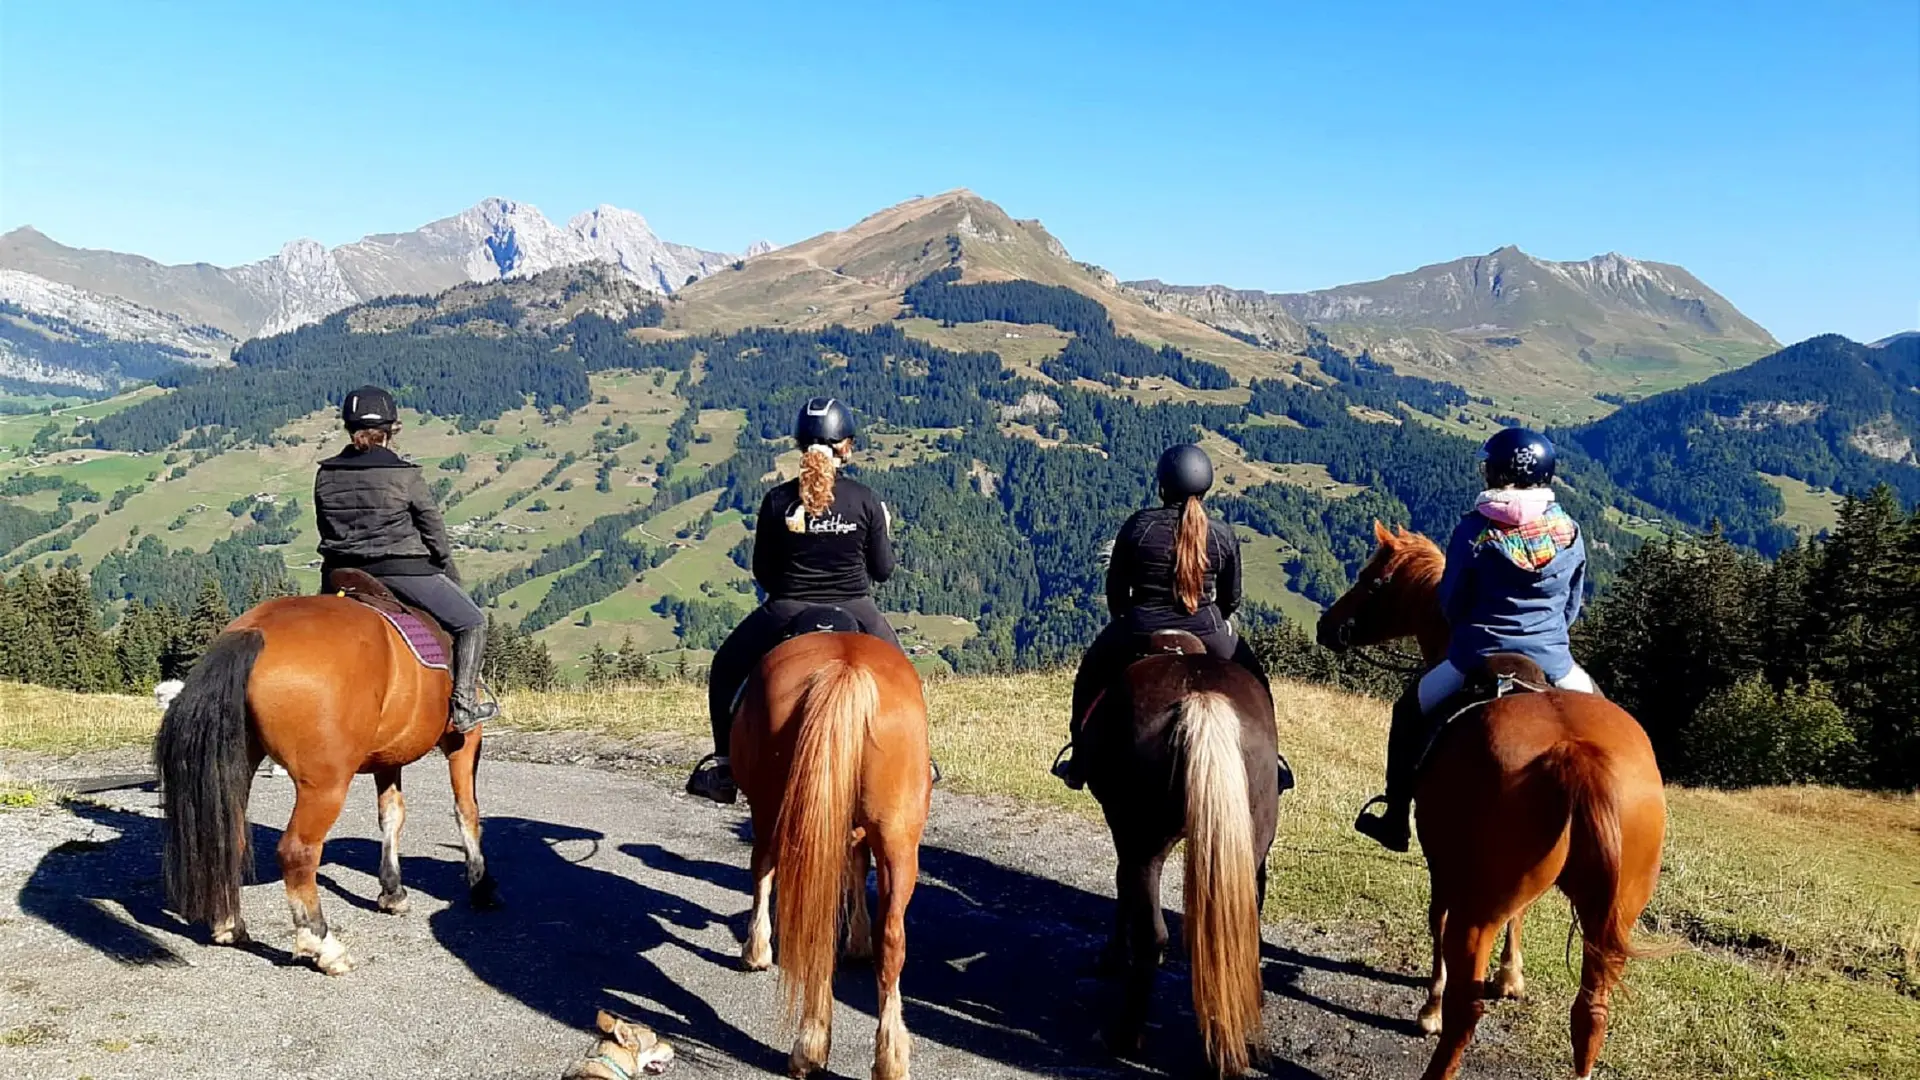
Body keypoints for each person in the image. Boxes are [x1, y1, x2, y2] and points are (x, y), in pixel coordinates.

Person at [1354, 426, 1597, 852]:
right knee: (1604, 717)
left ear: (1498, 473)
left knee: (1409, 712)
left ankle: (1394, 815)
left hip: (1476, 656)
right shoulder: (1569, 531)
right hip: (1556, 662)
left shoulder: (1475, 530)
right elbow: (1572, 605)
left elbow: (1451, 600)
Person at [685, 397, 901, 804]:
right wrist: (882, 530)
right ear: (846, 446)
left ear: (801, 445)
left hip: (786, 608)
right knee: (904, 675)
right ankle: (919, 761)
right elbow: (883, 571)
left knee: (726, 667)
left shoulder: (777, 501)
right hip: (857, 607)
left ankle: (725, 766)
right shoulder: (866, 500)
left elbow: (763, 573)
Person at [1052, 443, 1270, 789]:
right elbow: (1232, 598)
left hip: (1140, 628)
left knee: (1090, 675)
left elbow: (1116, 590)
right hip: (1209, 631)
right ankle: (1273, 765)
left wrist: (1125, 621)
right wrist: (1217, 622)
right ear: (1206, 484)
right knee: (1257, 684)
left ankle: (1079, 760)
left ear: (1163, 484)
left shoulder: (1139, 526)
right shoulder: (1223, 535)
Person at [313, 385, 497, 733]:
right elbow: (433, 532)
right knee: (472, 622)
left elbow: (325, 525)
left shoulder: (326, 473)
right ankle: (464, 706)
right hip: (402, 571)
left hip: (340, 575)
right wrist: (446, 571)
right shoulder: (405, 474)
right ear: (390, 431)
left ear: (350, 429)